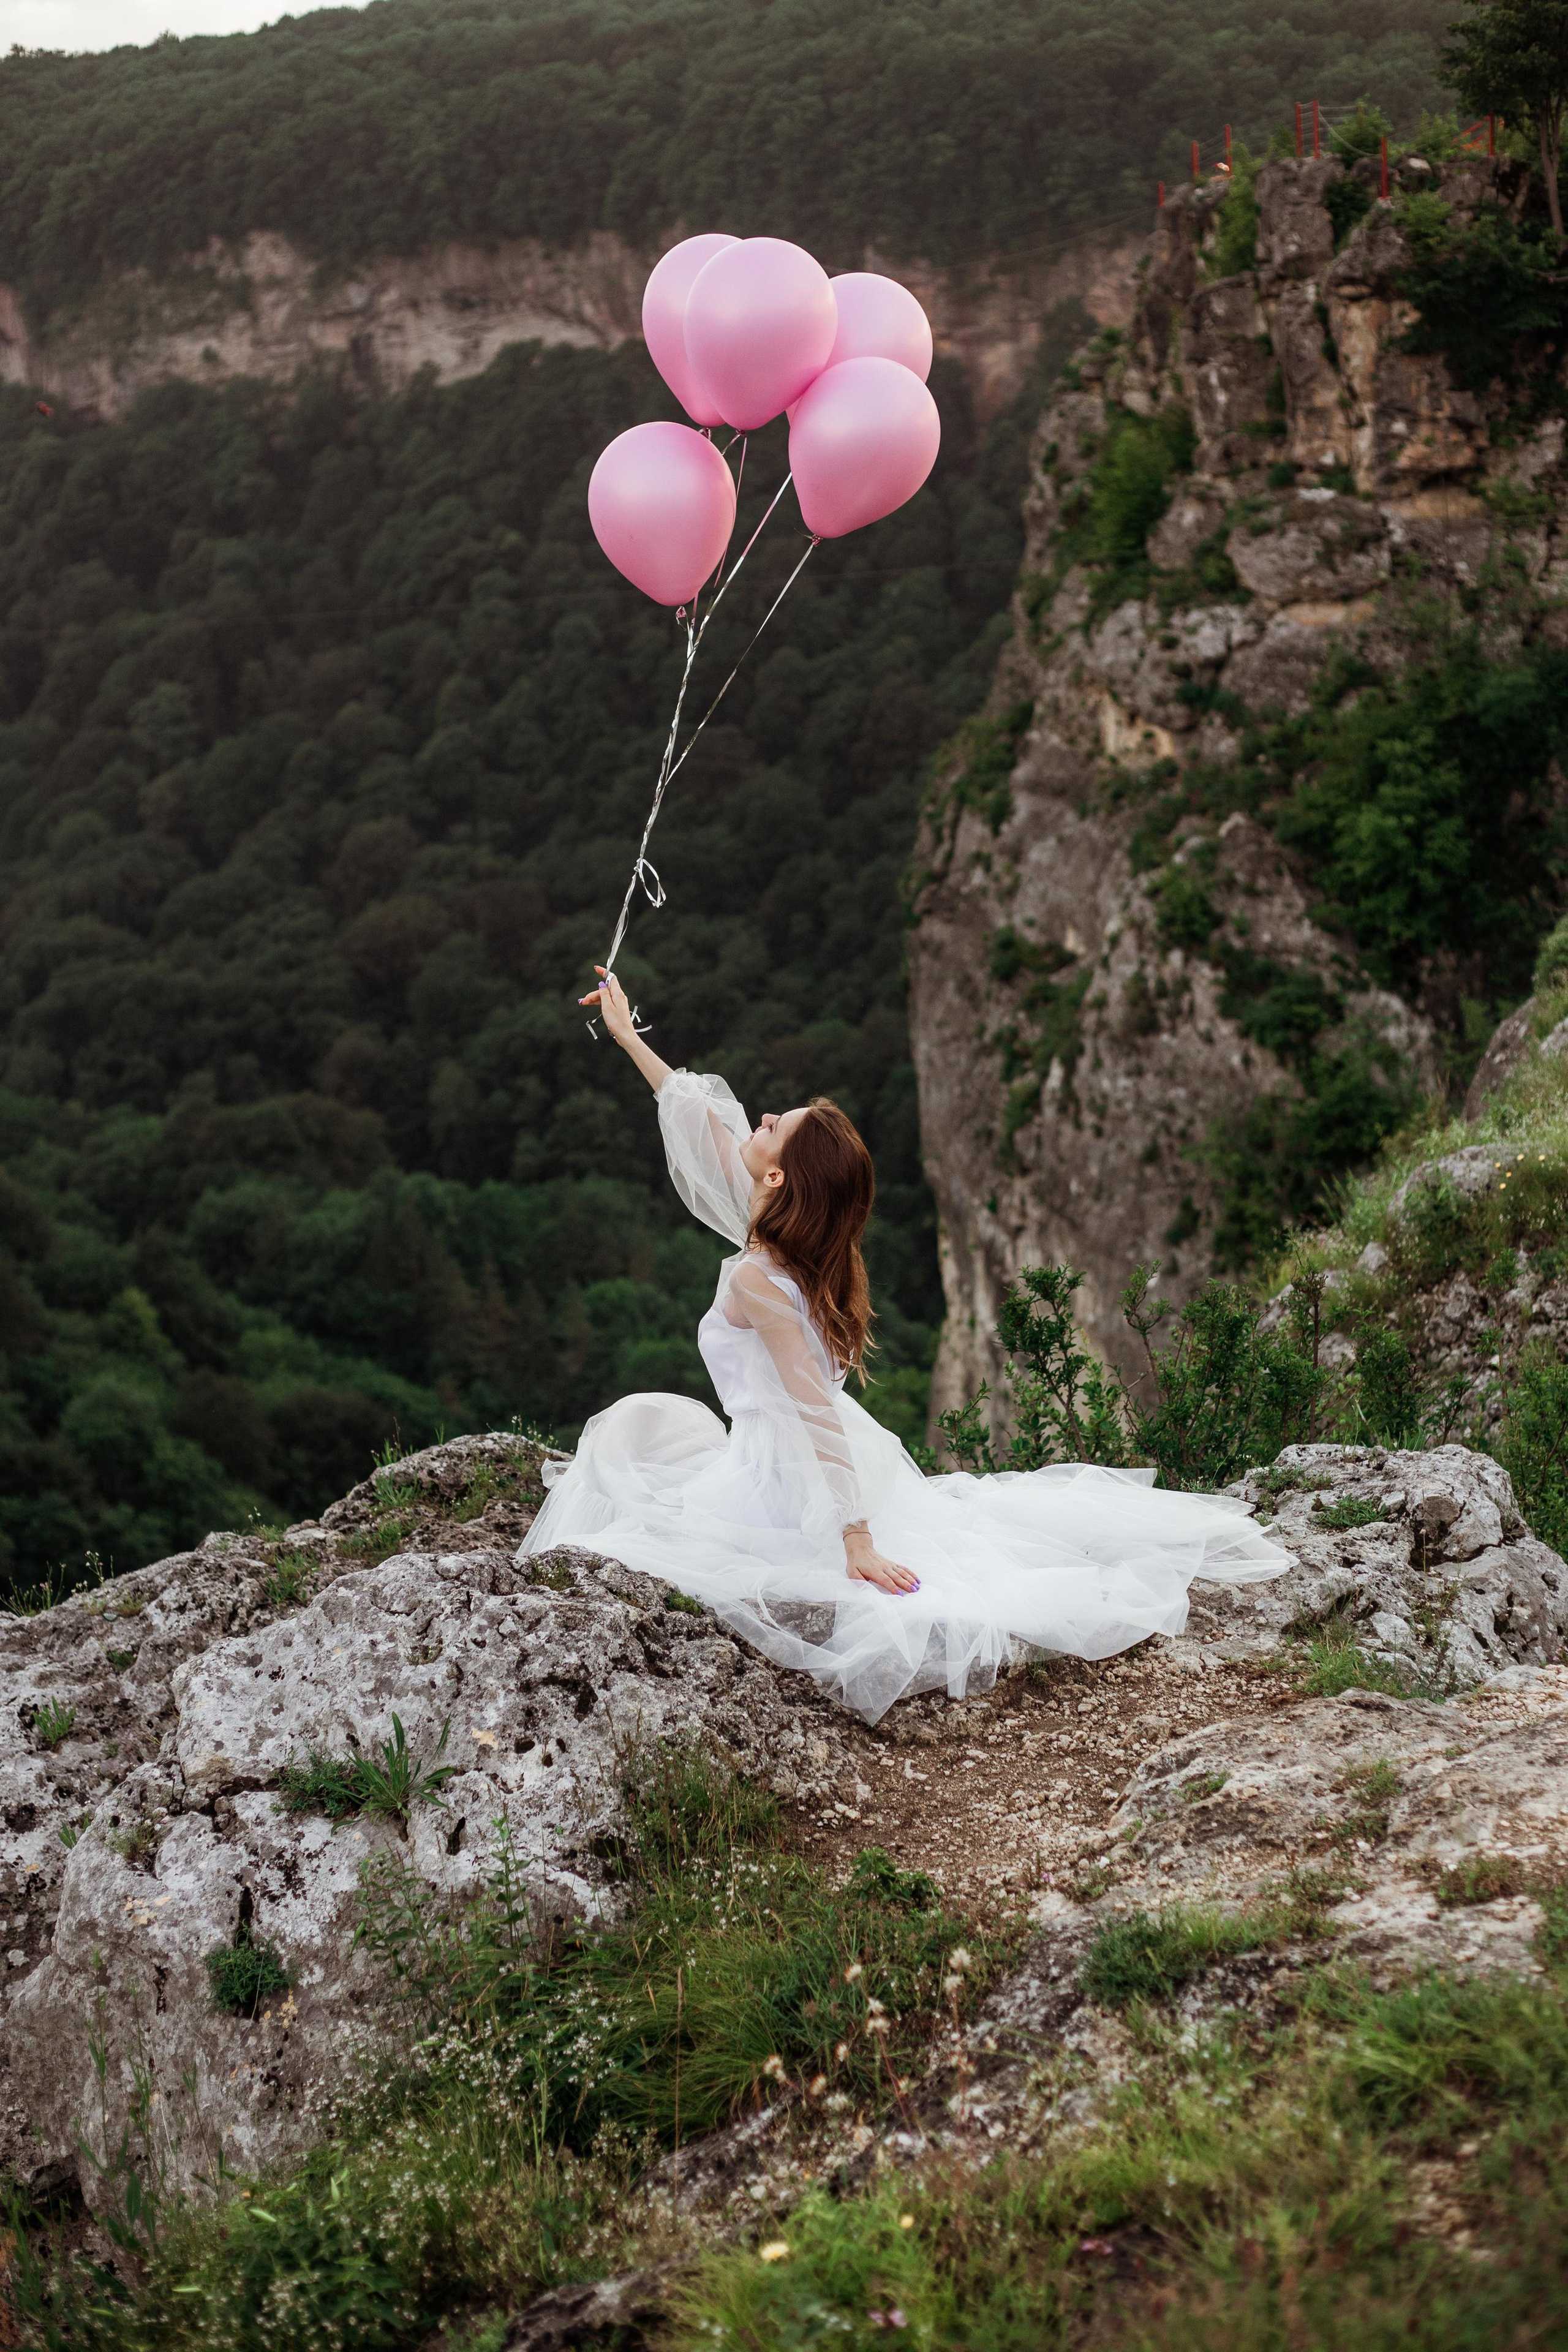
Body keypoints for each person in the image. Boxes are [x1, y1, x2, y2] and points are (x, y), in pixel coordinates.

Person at [518, 967, 1288, 1724]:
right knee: (645, 1431)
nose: (753, 1121)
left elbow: (814, 1406)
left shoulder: (759, 1274)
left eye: (770, 1126)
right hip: (809, 1452)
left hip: (785, 1474)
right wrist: (627, 1035)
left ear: (781, 1176)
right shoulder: (792, 1238)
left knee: (626, 1441)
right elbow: (700, 1123)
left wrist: (854, 1540)